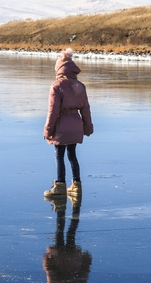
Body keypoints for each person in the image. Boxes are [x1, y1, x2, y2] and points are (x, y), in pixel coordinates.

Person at [43, 48, 93, 197]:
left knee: (59, 155)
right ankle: (76, 186)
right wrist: (87, 127)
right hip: (76, 125)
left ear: (59, 69)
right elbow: (86, 108)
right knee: (72, 154)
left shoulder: (57, 86)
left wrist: (48, 130)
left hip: (62, 126)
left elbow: (53, 111)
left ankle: (60, 185)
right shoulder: (80, 86)